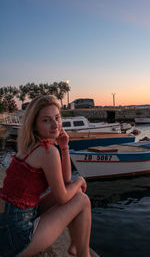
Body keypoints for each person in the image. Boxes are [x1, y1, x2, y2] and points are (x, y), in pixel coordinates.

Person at [0, 95, 91, 257]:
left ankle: (75, 246)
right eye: (46, 120)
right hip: (18, 236)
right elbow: (63, 196)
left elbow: (64, 182)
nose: (55, 124)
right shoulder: (47, 151)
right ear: (34, 125)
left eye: (57, 118)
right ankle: (83, 253)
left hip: (8, 221)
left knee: (75, 193)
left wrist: (64, 148)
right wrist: (80, 180)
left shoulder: (29, 145)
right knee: (82, 199)